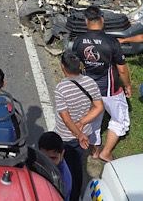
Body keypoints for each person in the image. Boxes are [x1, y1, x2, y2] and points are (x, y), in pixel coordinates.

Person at [72, 6, 132, 163]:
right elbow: (122, 70)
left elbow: (74, 65)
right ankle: (105, 153)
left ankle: (94, 152)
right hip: (110, 89)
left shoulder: (78, 41)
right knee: (120, 119)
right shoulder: (111, 42)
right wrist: (127, 85)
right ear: (102, 20)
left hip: (89, 89)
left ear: (86, 21)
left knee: (94, 120)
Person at [55, 51, 104, 199]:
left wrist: (78, 133)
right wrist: (83, 124)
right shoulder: (90, 82)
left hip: (66, 135)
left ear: (63, 67)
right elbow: (99, 107)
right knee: (77, 167)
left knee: (63, 169)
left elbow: (66, 119)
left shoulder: (61, 89)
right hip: (85, 132)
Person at [38, 132, 73, 201]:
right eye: (44, 157)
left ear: (62, 154)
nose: (48, 162)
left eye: (53, 158)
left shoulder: (63, 182)